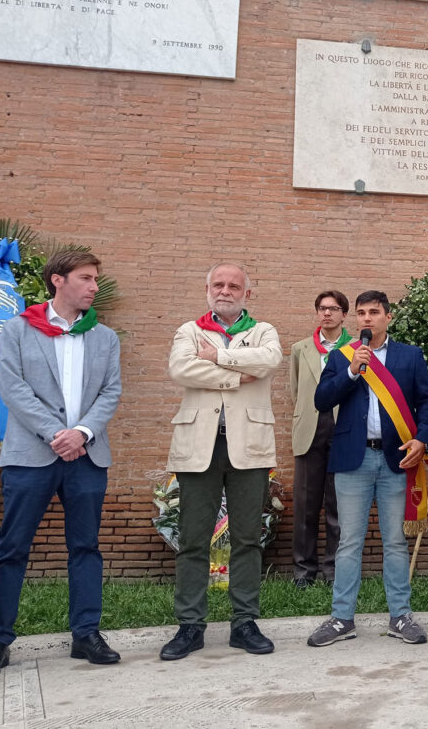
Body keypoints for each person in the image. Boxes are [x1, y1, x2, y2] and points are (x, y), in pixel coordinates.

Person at [0, 250, 122, 680]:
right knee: (13, 549)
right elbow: (13, 388)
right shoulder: (18, 329)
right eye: (86, 278)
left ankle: (86, 634)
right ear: (58, 280)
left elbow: (110, 392)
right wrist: (56, 434)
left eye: (96, 279)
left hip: (87, 456)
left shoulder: (105, 337)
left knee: (86, 547)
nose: (94, 286)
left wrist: (82, 434)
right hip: (31, 455)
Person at [159, 263, 282, 661]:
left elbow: (268, 361)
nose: (225, 291)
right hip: (200, 446)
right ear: (206, 288)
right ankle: (190, 626)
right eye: (218, 284)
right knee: (193, 539)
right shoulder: (188, 330)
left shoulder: (263, 331)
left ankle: (244, 622)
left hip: (250, 446)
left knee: (248, 538)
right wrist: (235, 372)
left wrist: (217, 357)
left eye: (234, 285)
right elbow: (181, 368)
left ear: (248, 293)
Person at [307, 291, 428, 647]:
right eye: (361, 313)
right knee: (349, 541)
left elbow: (427, 401)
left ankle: (400, 615)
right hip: (354, 459)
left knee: (394, 541)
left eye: (373, 312)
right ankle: (341, 618)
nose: (366, 319)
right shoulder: (342, 356)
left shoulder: (409, 356)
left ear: (387, 317)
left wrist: (423, 439)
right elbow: (322, 400)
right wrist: (350, 372)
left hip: (397, 458)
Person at [289, 290, 350, 587]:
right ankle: (303, 571)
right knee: (305, 504)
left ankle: (334, 570)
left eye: (333, 308)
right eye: (322, 308)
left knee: (338, 505)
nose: (327, 313)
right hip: (310, 428)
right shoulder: (301, 349)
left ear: (343, 315)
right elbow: (296, 391)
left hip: (344, 430)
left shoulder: (357, 348)